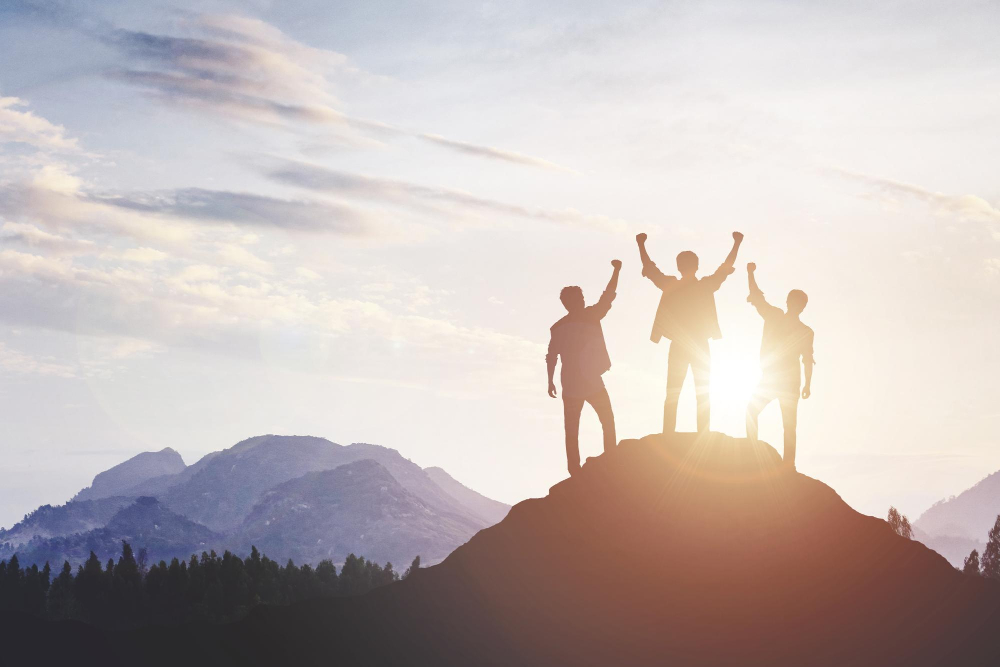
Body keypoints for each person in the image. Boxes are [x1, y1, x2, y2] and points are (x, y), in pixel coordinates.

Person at [636, 231, 743, 433]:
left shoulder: (673, 285)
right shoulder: (702, 286)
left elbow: (650, 269)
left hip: (684, 344)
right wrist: (737, 243)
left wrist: (641, 244)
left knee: (675, 392)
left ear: (679, 267)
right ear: (697, 266)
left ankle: (671, 433)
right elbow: (725, 269)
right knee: (700, 392)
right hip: (698, 345)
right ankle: (701, 434)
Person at [546, 260, 622, 476]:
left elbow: (552, 356)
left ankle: (574, 470)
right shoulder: (590, 316)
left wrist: (550, 380)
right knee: (607, 419)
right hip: (590, 380)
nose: (582, 300)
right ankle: (611, 459)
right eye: (579, 298)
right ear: (574, 302)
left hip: (570, 382)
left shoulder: (557, 327)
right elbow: (609, 296)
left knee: (572, 428)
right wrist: (616, 271)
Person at [744, 262, 814, 470]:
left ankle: (773, 459)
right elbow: (756, 296)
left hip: (778, 378)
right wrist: (750, 274)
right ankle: (785, 463)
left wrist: (808, 384)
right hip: (782, 378)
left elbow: (808, 358)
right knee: (785, 422)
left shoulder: (782, 319)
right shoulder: (802, 329)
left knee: (756, 412)